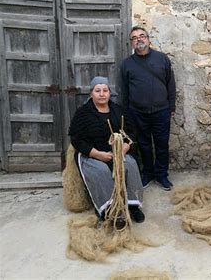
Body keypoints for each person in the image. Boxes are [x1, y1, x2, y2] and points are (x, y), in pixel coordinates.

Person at [68, 76, 144, 228]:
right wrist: (97, 154)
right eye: (98, 91)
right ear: (91, 94)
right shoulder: (83, 114)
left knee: (130, 164)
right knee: (101, 171)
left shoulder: (119, 111)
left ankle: (132, 205)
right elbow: (76, 140)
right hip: (93, 154)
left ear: (110, 93)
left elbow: (132, 132)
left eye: (105, 90)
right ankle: (110, 210)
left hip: (117, 153)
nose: (102, 94)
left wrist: (126, 147)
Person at [121, 26, 176, 190]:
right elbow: (124, 90)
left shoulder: (162, 59)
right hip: (137, 113)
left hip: (161, 111)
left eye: (142, 36)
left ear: (148, 39)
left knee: (161, 144)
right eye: (135, 37)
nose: (139, 39)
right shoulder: (127, 64)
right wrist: (127, 113)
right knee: (143, 144)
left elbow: (170, 84)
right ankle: (147, 174)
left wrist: (171, 106)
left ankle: (161, 175)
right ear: (132, 43)